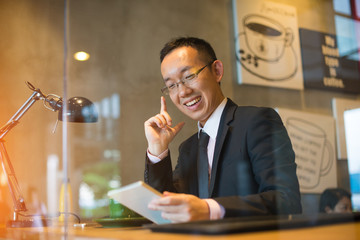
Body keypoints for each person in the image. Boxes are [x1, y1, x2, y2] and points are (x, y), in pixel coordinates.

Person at [144, 37, 302, 223]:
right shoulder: (188, 149)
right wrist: (157, 150)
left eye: (189, 76)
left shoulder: (257, 122)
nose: (182, 92)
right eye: (171, 85)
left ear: (217, 71)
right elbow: (163, 210)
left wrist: (209, 210)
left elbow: (286, 200)